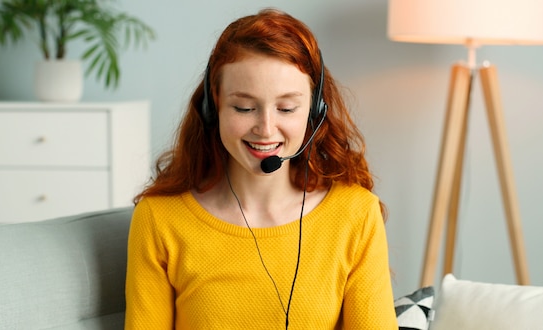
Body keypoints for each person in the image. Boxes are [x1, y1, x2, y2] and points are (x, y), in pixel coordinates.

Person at [125, 8, 397, 329]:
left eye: (286, 108)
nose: (266, 129)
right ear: (214, 106)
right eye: (245, 107)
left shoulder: (356, 215)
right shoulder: (160, 218)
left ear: (314, 110)